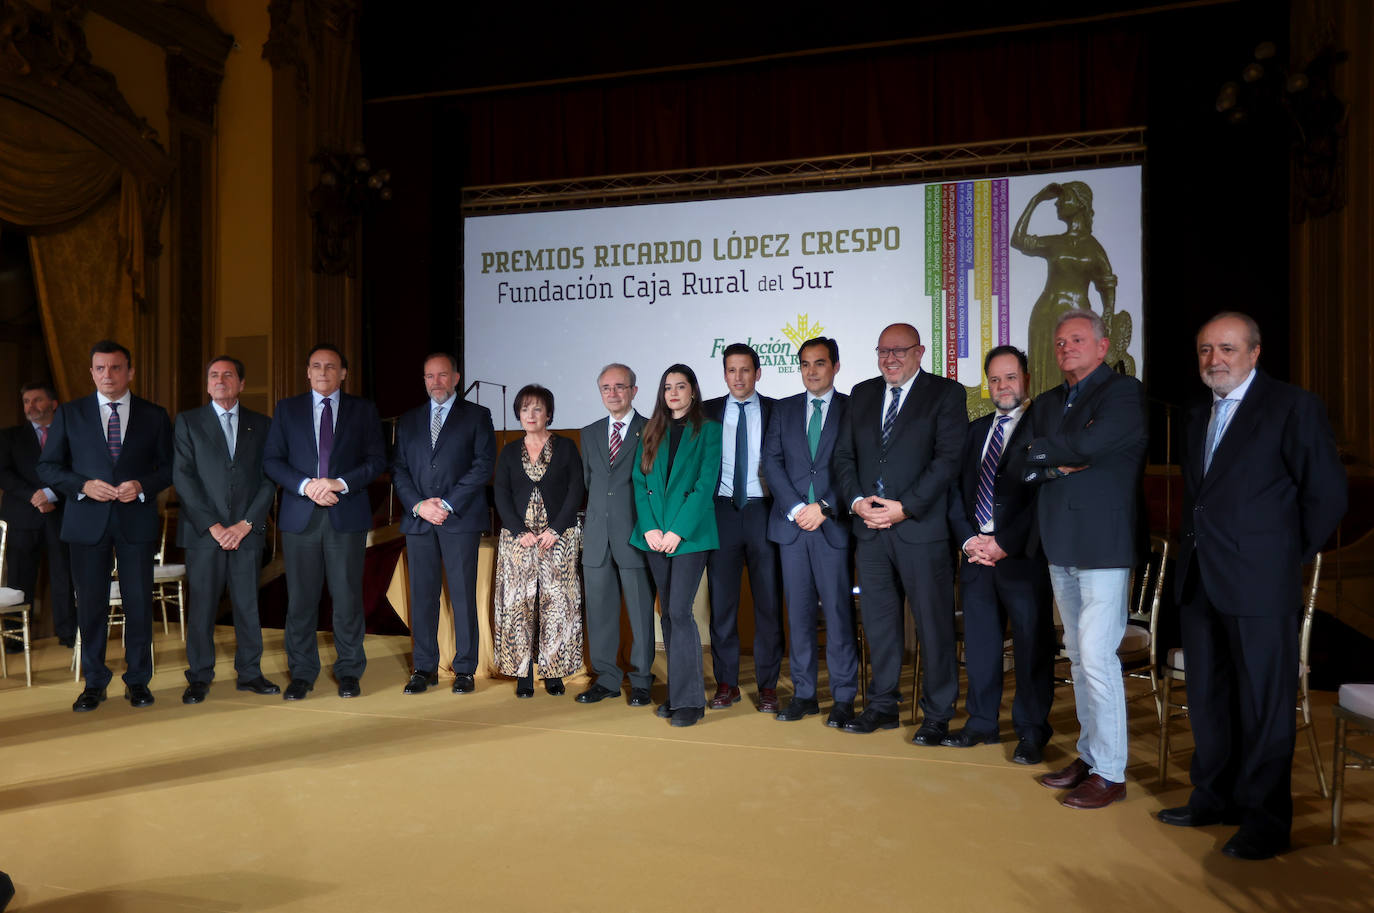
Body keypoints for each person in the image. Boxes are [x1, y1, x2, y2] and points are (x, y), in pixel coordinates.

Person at [1157, 312, 1345, 860]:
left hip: (1260, 584)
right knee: (1209, 700)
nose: (1215, 360)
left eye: (1228, 349)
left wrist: (1280, 557)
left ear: (1255, 353)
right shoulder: (1197, 415)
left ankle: (1265, 821)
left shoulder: (1292, 406)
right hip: (1202, 582)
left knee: (1265, 706)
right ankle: (1213, 798)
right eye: (1205, 350)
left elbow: (1328, 496)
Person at [1023, 308, 1147, 809]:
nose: (1066, 347)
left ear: (1102, 346)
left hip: (1102, 544)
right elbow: (1026, 459)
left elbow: (1094, 442)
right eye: (1059, 343)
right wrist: (1059, 460)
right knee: (1077, 658)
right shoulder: (1051, 400)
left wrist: (1051, 452)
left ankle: (1112, 773)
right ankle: (1092, 756)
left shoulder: (1122, 392)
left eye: (1077, 339)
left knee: (1096, 656)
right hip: (1060, 541)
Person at [832, 323, 965, 741]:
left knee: (933, 625)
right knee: (879, 625)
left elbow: (947, 460)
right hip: (870, 530)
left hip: (920, 530)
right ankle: (882, 706)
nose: (889, 359)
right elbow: (844, 457)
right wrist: (856, 503)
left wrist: (905, 508)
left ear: (920, 351)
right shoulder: (862, 394)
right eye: (882, 351)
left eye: (899, 351)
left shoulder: (945, 394)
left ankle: (938, 714)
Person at [37, 340, 173, 712]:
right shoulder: (70, 413)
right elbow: (48, 467)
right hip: (85, 522)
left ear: (129, 371)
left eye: (115, 368)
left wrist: (142, 485)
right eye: (100, 368)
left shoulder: (155, 415)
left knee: (139, 604)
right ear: (91, 372)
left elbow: (170, 468)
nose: (107, 375)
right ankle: (94, 682)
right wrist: (82, 485)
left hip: (136, 521)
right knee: (91, 606)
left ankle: (138, 681)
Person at [944, 345, 1054, 763]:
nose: (1002, 386)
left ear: (1025, 379)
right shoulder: (976, 431)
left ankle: (1030, 730)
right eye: (994, 379)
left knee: (1030, 647)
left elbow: (1041, 496)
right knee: (982, 645)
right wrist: (968, 539)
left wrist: (1004, 542)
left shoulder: (1042, 429)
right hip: (975, 556)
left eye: (1010, 377)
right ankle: (981, 723)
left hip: (1021, 557)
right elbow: (956, 491)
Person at [263, 343, 385, 700]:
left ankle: (349, 670)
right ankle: (301, 673)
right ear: (307, 371)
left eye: (330, 367)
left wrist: (339, 483)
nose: (322, 372)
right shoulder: (288, 410)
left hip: (345, 515)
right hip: (300, 516)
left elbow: (377, 460)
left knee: (347, 599)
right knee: (300, 600)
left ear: (343, 373)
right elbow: (272, 461)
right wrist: (306, 486)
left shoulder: (363, 411)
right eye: (315, 365)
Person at [760, 337, 859, 726]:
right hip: (793, 528)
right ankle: (804, 694)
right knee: (798, 615)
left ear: (835, 366)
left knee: (837, 613)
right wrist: (799, 508)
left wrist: (825, 506)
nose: (812, 371)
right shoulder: (783, 410)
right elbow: (772, 460)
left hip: (832, 524)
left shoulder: (853, 408)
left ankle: (844, 697)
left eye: (820, 363)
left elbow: (856, 464)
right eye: (805, 364)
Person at [172, 356, 280, 703]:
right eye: (214, 375)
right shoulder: (188, 422)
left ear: (242, 383)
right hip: (205, 534)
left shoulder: (262, 425)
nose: (220, 380)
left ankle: (250, 673)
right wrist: (215, 526)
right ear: (207, 384)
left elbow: (269, 479)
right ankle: (199, 677)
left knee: (247, 605)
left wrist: (246, 524)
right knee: (202, 606)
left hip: (247, 532)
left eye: (228, 375)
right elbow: (183, 478)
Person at [391, 352, 496, 696]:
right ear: (424, 380)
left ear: (456, 377)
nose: (436, 382)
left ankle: (465, 667)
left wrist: (447, 504)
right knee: (423, 597)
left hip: (459, 519)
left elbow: (483, 466)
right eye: (429, 376)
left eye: (442, 375)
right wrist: (420, 505)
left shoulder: (477, 416)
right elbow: (400, 470)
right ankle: (424, 667)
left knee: (462, 596)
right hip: (419, 520)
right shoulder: (407, 421)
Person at [631, 364, 721, 727]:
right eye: (667, 386)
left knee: (681, 613)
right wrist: (651, 528)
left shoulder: (709, 430)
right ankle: (677, 693)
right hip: (654, 536)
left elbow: (704, 485)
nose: (673, 392)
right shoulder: (652, 429)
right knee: (667, 613)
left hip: (690, 535)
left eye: (680, 386)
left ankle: (690, 702)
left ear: (693, 391)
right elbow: (640, 482)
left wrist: (677, 532)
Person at [492, 384, 586, 698]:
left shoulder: (567, 447)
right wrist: (519, 530)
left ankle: (554, 671)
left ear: (548, 414)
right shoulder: (507, 451)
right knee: (519, 605)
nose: (530, 415)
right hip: (518, 541)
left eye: (537, 409)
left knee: (557, 605)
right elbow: (500, 494)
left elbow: (576, 489)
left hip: (558, 539)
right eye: (524, 409)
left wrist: (555, 530)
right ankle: (523, 673)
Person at [704, 342, 783, 712]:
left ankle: (768, 686)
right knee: (722, 605)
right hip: (721, 513)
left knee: (768, 604)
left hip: (764, 512)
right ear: (724, 374)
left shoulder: (778, 411)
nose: (738, 377)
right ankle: (726, 683)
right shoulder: (706, 413)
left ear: (758, 373)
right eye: (731, 370)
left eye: (745, 370)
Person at [577, 363, 656, 707]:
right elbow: (589, 484)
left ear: (634, 391)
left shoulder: (651, 430)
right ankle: (607, 678)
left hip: (636, 537)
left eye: (620, 387)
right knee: (600, 612)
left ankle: (640, 681)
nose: (613, 393)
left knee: (640, 614)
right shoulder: (590, 432)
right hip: (596, 539)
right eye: (606, 388)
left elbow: (653, 486)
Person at [1011, 181, 1120, 398]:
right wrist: (1036, 200)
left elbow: (1107, 283)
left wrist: (1108, 313)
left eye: (1065, 197)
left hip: (1076, 322)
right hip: (1045, 316)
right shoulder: (1056, 243)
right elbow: (1019, 240)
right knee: (1042, 381)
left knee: (1073, 376)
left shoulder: (1093, 247)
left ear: (1080, 203)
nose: (1058, 203)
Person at [0, 382, 74, 648]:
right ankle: (16, 640)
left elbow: (78, 471)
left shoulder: (70, 435)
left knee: (64, 576)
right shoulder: (9, 436)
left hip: (61, 514)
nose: (30, 406)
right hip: (22, 516)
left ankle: (68, 635)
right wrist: (36, 496)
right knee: (20, 578)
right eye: (26, 401)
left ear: (53, 404)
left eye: (37, 400)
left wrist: (51, 494)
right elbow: (4, 474)